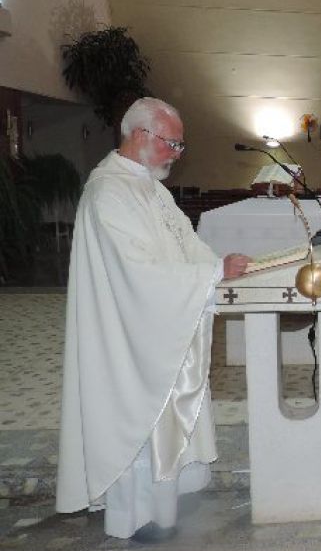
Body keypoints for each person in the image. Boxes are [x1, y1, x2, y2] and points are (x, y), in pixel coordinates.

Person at [56, 98, 252, 542]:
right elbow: (135, 273)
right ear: (139, 135)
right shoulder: (109, 191)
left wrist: (218, 265)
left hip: (157, 328)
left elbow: (186, 247)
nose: (176, 154)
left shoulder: (149, 186)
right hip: (129, 339)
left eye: (179, 146)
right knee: (138, 419)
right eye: (172, 144)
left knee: (164, 419)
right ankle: (136, 518)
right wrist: (213, 274)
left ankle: (163, 514)